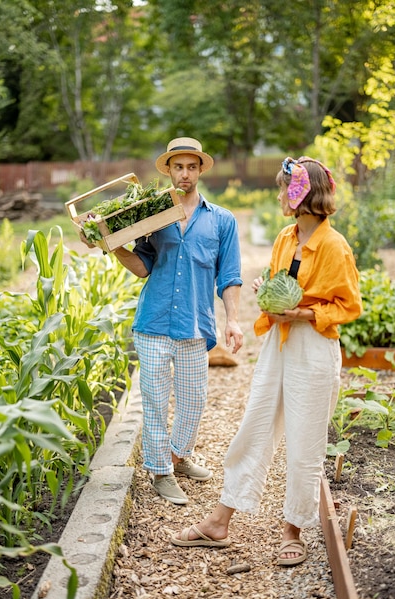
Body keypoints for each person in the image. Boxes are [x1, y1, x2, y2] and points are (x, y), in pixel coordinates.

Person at [171, 156, 362, 565]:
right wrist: (268, 288)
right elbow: (281, 284)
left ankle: (293, 529)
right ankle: (220, 520)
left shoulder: (333, 245)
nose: (278, 196)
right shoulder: (285, 238)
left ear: (301, 195)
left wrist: (303, 313)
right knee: (254, 425)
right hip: (279, 343)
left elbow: (348, 306)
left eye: (283, 189)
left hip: (313, 347)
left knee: (305, 441)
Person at [81, 137, 243, 505]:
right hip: (153, 322)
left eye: (191, 166)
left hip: (196, 324)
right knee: (154, 402)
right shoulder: (151, 217)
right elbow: (142, 268)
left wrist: (233, 320)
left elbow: (230, 275)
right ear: (168, 171)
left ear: (200, 170)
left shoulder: (222, 220)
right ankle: (160, 470)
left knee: (193, 401)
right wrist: (111, 241)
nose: (184, 174)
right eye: (177, 167)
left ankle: (178, 455)